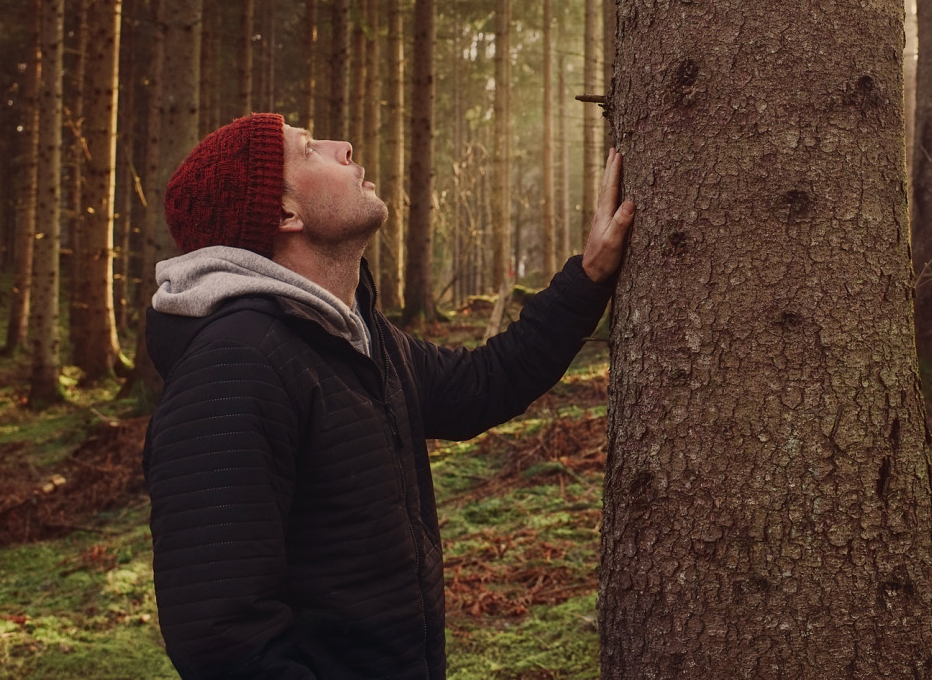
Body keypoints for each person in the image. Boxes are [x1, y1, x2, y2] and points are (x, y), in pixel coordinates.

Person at [143, 112, 634, 679]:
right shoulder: (234, 366)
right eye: (309, 149)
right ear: (283, 214)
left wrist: (589, 276)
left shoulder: (353, 337)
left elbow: (485, 383)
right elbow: (223, 640)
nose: (345, 147)